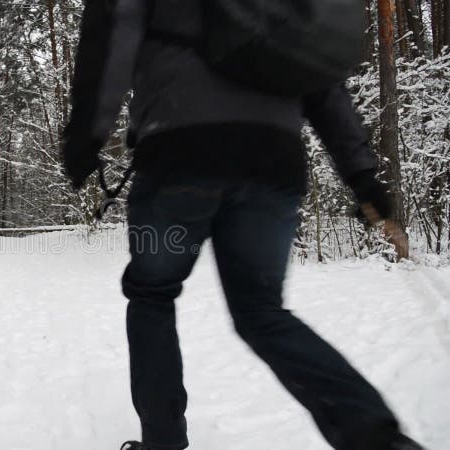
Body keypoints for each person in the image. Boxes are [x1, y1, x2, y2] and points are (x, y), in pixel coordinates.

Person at [60, 1, 424, 450]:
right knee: (261, 312)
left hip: (179, 160)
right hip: (271, 165)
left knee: (152, 297)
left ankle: (163, 442)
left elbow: (111, 38)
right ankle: (374, 437)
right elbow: (324, 81)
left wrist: (85, 137)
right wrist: (361, 174)